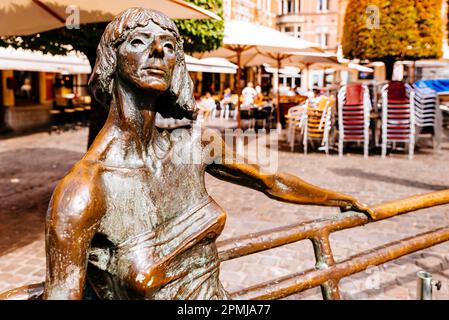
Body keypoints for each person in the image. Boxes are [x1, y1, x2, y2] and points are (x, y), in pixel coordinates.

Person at [1, 8, 372, 300]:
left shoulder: (192, 145)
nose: (158, 51)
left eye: (168, 44)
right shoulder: (83, 192)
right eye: (139, 41)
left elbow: (271, 181)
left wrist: (344, 199)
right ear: (112, 59)